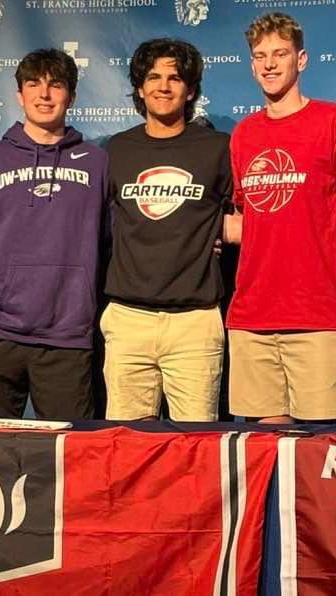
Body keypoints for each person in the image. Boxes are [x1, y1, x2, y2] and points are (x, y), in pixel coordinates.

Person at [225, 13, 336, 424]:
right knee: (265, 463)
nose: (270, 64)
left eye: (280, 54)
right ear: (252, 64)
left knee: (320, 463)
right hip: (251, 319)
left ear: (301, 60)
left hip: (320, 319)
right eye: (260, 56)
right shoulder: (244, 134)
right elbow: (247, 223)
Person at [0, 48, 108, 420]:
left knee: (70, 463)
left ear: (72, 96)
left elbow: (113, 244)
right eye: (33, 85)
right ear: (19, 96)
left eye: (56, 85)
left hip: (67, 340)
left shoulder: (97, 163)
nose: (44, 95)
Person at [101, 38, 233, 422]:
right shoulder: (116, 150)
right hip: (128, 319)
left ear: (190, 89)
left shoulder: (218, 148)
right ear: (140, 88)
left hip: (195, 322)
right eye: (153, 77)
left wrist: (218, 230)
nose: (163, 86)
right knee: (127, 449)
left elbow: (249, 215)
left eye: (175, 78)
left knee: (195, 451)